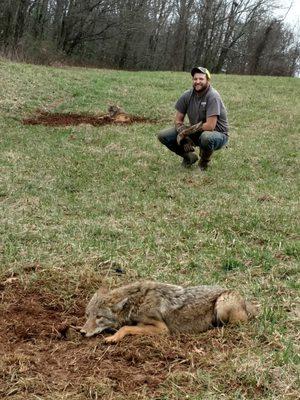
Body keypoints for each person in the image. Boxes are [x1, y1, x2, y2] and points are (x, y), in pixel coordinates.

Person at [157, 67, 229, 171]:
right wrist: (185, 139)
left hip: (217, 134)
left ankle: (203, 163)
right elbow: (178, 121)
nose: (197, 82)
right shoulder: (187, 95)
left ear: (208, 80)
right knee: (163, 135)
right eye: (195, 79)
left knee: (206, 137)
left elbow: (210, 126)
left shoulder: (213, 96)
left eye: (201, 79)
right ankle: (189, 157)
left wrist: (186, 133)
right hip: (197, 131)